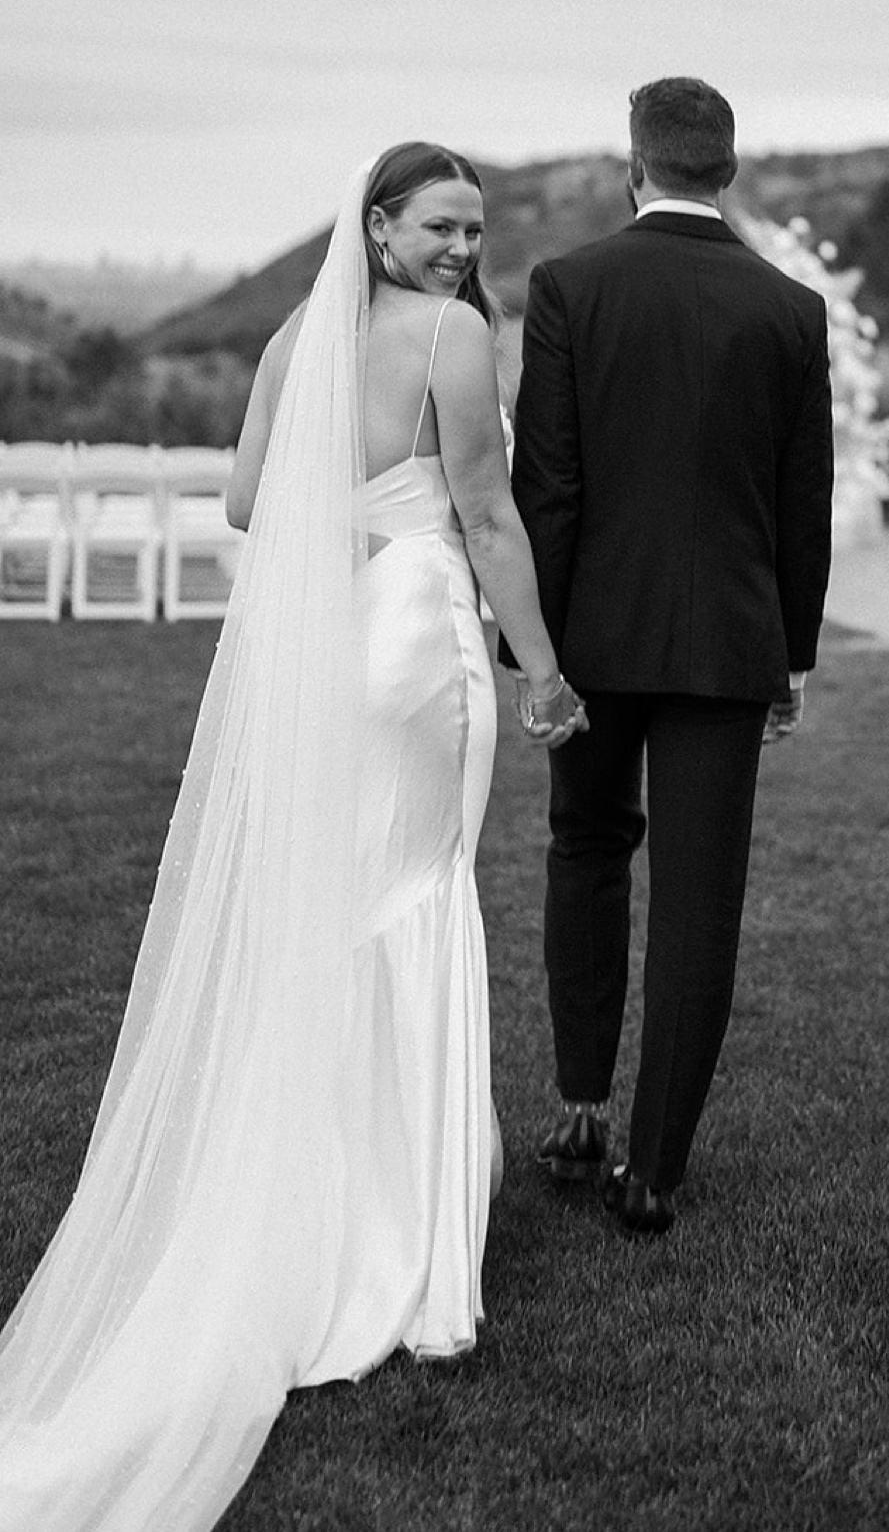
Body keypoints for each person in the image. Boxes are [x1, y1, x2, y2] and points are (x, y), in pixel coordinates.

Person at [0, 143, 583, 1532]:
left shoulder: (297, 332)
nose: (462, 246)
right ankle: (410, 1255)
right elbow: (491, 509)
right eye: (441, 223)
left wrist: (357, 523)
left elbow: (250, 501)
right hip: (423, 637)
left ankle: (317, 1206)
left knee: (343, 908)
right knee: (421, 898)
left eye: (475, 228)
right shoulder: (453, 336)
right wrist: (544, 665)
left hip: (343, 638)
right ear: (377, 224)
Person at [510, 77, 834, 1235]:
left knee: (585, 849)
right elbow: (806, 503)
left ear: (632, 166)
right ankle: (652, 1169)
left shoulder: (569, 287)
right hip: (727, 643)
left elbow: (545, 488)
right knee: (700, 902)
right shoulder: (791, 310)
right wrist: (792, 653)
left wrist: (534, 651)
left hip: (591, 640)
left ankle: (582, 1103)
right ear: (728, 171)